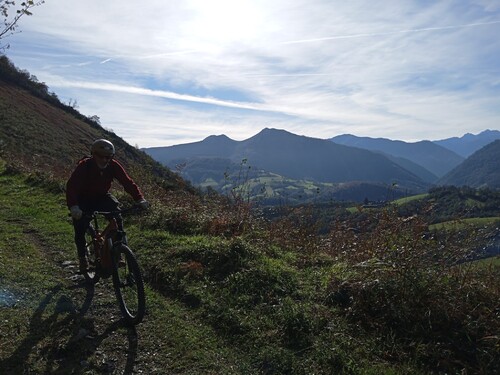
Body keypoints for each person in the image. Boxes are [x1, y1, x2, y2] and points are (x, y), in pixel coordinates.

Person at [66, 139, 149, 273]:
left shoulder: (113, 165)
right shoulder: (85, 166)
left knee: (117, 218)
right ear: (93, 154)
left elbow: (127, 182)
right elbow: (72, 187)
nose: (105, 160)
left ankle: (118, 250)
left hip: (102, 196)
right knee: (80, 227)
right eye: (101, 156)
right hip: (84, 199)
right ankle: (83, 259)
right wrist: (74, 206)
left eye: (109, 157)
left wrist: (139, 198)